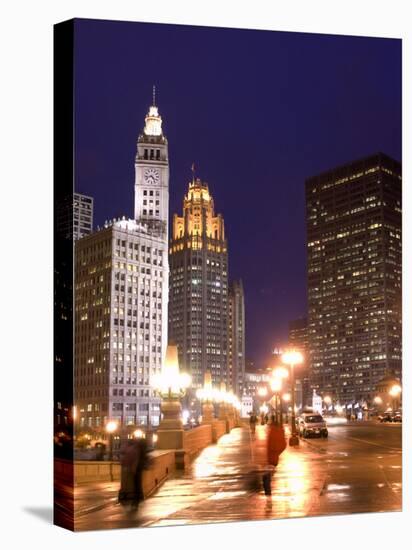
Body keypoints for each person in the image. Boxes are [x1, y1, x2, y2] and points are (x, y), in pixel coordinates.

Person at [118, 438, 149, 511]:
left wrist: (133, 468)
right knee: (136, 485)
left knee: (134, 486)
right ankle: (136, 501)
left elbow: (131, 459)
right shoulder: (136, 449)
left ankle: (134, 502)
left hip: (132, 469)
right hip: (135, 469)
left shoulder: (132, 449)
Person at [262, 419, 286, 496]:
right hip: (272, 458)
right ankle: (268, 493)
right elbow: (283, 445)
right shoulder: (277, 431)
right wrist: (277, 453)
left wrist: (274, 451)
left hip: (271, 459)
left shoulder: (274, 432)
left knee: (266, 477)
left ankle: (268, 495)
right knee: (266, 477)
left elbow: (280, 445)